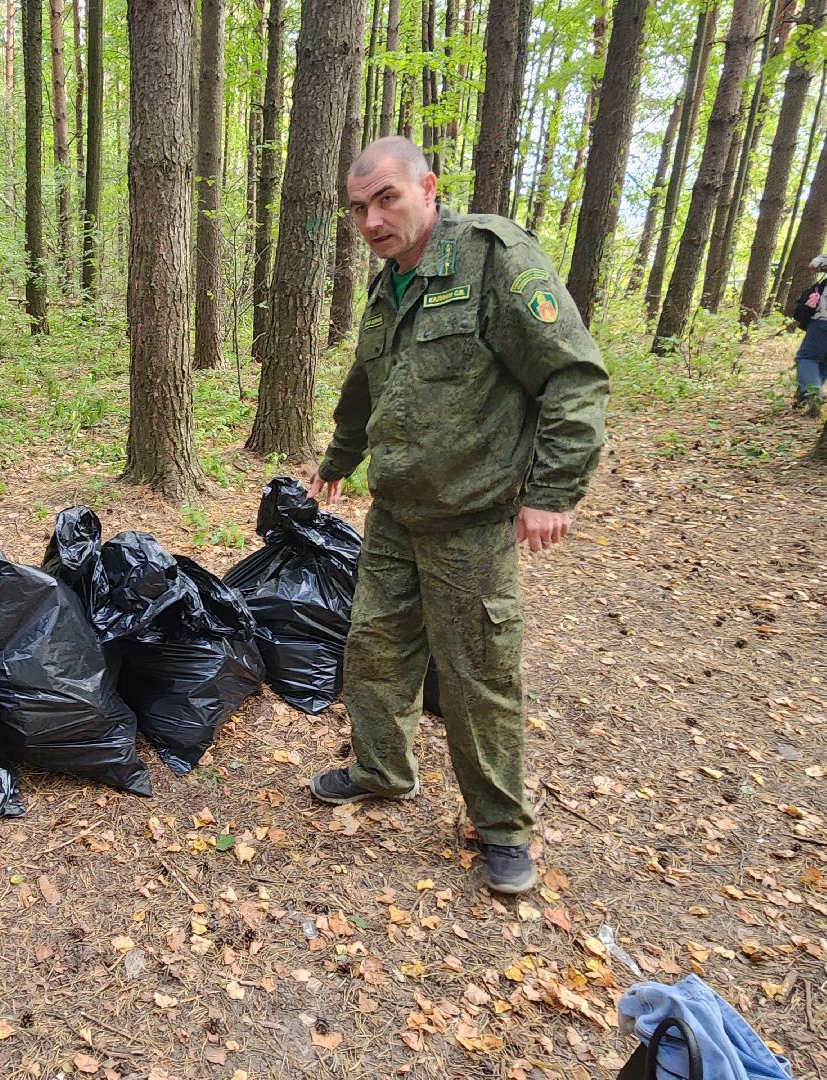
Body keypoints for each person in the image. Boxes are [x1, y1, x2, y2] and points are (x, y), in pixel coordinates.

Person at [305, 137, 609, 895]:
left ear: (428, 189)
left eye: (386, 200)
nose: (372, 220)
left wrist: (552, 491)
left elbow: (574, 378)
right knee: (374, 649)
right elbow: (366, 386)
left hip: (473, 520)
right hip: (396, 515)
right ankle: (381, 771)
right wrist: (338, 459)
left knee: (478, 677)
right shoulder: (388, 286)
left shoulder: (492, 258)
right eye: (359, 208)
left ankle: (501, 828)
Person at [793, 253, 827, 417]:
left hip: (823, 320)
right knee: (824, 360)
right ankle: (808, 397)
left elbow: (814, 264)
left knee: (806, 358)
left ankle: (813, 392)